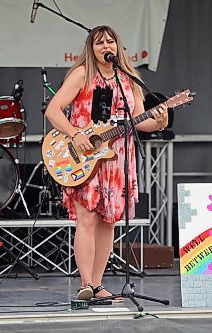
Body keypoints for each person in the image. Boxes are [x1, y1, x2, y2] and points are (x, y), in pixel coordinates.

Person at [45, 25, 168, 301]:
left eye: (110, 42)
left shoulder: (129, 80)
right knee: (87, 218)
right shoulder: (82, 74)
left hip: (116, 160)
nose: (105, 47)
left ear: (118, 47)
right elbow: (53, 110)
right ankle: (85, 284)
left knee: (108, 221)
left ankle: (98, 285)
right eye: (99, 43)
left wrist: (160, 120)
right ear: (91, 48)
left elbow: (141, 121)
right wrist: (75, 134)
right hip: (83, 156)